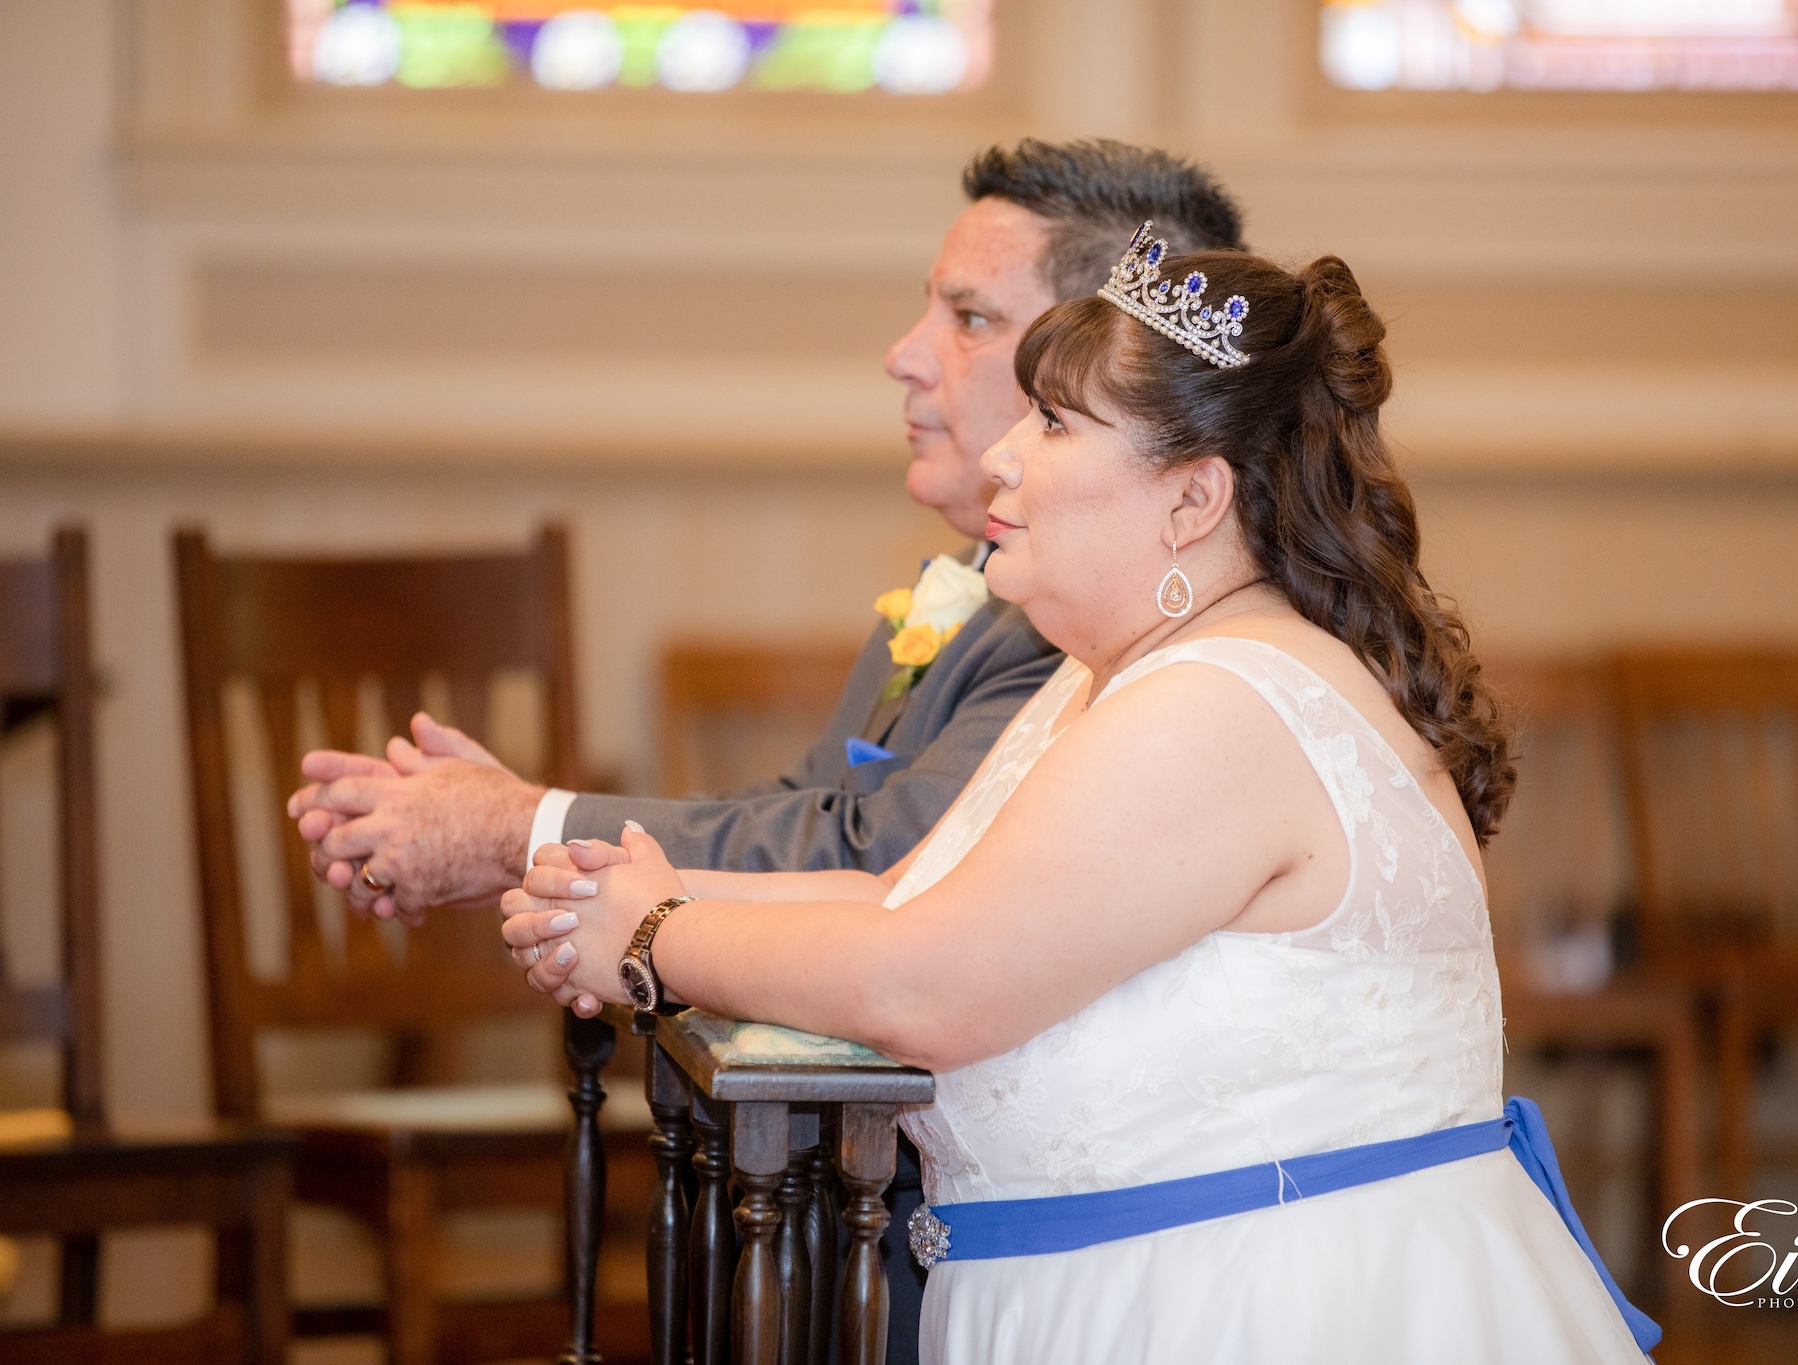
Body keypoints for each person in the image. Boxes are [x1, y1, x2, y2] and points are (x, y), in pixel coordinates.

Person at [500, 230, 1661, 1363]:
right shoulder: (1113, 678)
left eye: (1053, 423)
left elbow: (927, 984)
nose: (1004, 456)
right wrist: (614, 891)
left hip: (1255, 1310)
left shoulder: (1221, 699)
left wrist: (653, 939)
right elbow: (902, 899)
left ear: (1191, 500)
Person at [284, 139, 1249, 1363]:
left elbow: (900, 865)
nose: (904, 355)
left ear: (1111, 364)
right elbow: (815, 813)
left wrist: (535, 836)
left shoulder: (1110, 630)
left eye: (964, 318)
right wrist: (550, 847)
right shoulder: (975, 582)